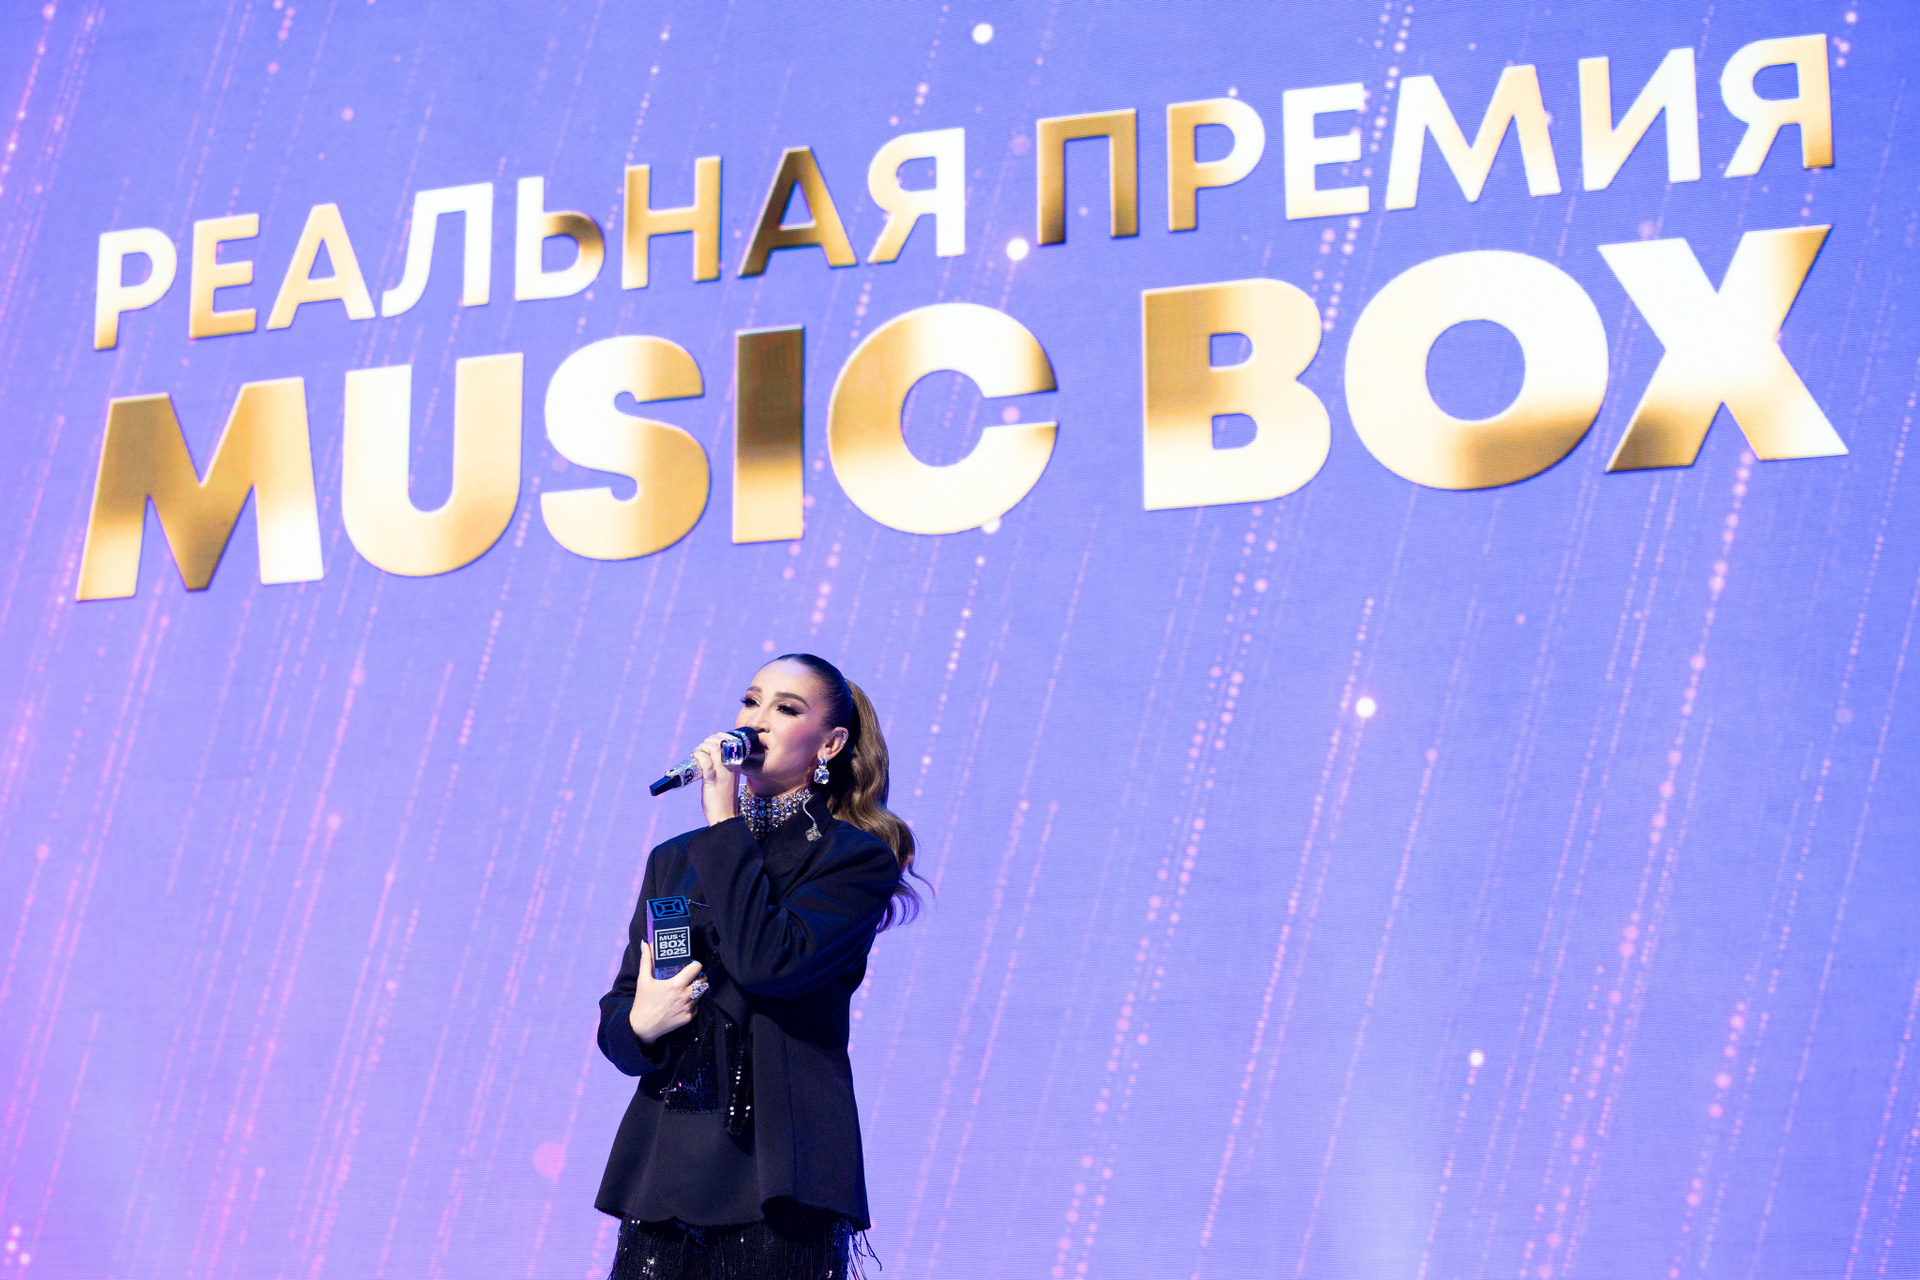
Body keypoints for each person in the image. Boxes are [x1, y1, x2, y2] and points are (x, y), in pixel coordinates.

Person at [594, 653, 921, 1280]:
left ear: (830, 744)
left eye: (786, 708)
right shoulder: (675, 860)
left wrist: (724, 821)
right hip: (666, 1170)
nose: (757, 720)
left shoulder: (854, 859)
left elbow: (769, 963)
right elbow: (620, 1012)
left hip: (775, 1172)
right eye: (751, 701)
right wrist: (640, 1025)